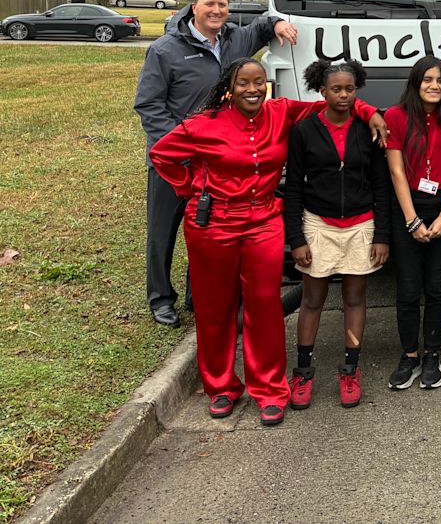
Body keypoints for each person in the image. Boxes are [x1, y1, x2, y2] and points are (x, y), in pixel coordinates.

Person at [149, 58, 384, 425]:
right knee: (215, 309)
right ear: (229, 87)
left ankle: (270, 389)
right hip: (214, 225)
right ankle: (221, 387)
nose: (253, 89)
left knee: (265, 308)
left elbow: (334, 104)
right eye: (244, 83)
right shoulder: (203, 124)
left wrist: (370, 113)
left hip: (263, 221)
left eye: (259, 82)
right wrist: (192, 188)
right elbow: (161, 155)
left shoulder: (281, 112)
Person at [134, 0, 298, 327]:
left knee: (203, 227)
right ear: (193, 7)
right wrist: (182, 145)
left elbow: (261, 26)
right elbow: (149, 105)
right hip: (174, 163)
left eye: (222, 5)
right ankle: (161, 299)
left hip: (214, 165)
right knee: (163, 232)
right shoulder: (165, 50)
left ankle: (196, 295)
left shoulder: (235, 40)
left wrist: (277, 24)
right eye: (209, 4)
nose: (217, 11)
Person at [284, 60, 391, 411]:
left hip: (361, 225)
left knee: (355, 298)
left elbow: (381, 184)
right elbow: (293, 188)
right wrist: (297, 239)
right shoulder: (304, 130)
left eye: (349, 89)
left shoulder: (367, 129)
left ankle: (350, 370)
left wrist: (382, 235)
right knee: (312, 299)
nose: (343, 95)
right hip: (318, 224)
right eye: (336, 89)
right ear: (322, 91)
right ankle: (303, 373)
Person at [384, 57, 441, 392]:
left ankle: (432, 354)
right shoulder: (396, 116)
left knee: (437, 287)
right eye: (427, 79)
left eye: (440, 80)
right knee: (407, 288)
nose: (434, 86)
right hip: (408, 207)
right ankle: (410, 355)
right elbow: (396, 171)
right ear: (415, 82)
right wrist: (412, 219)